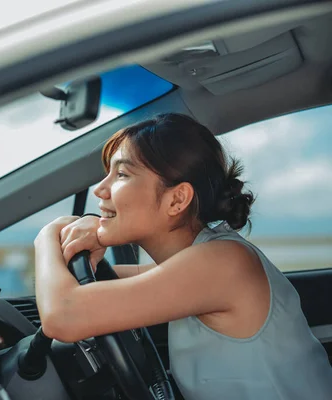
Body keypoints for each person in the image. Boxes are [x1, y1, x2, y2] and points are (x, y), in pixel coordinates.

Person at [33, 113, 332, 399]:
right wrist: (90, 231)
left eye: (121, 174)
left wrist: (49, 233)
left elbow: (64, 317)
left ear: (177, 199)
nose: (100, 189)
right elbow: (98, 283)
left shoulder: (222, 263)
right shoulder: (192, 261)